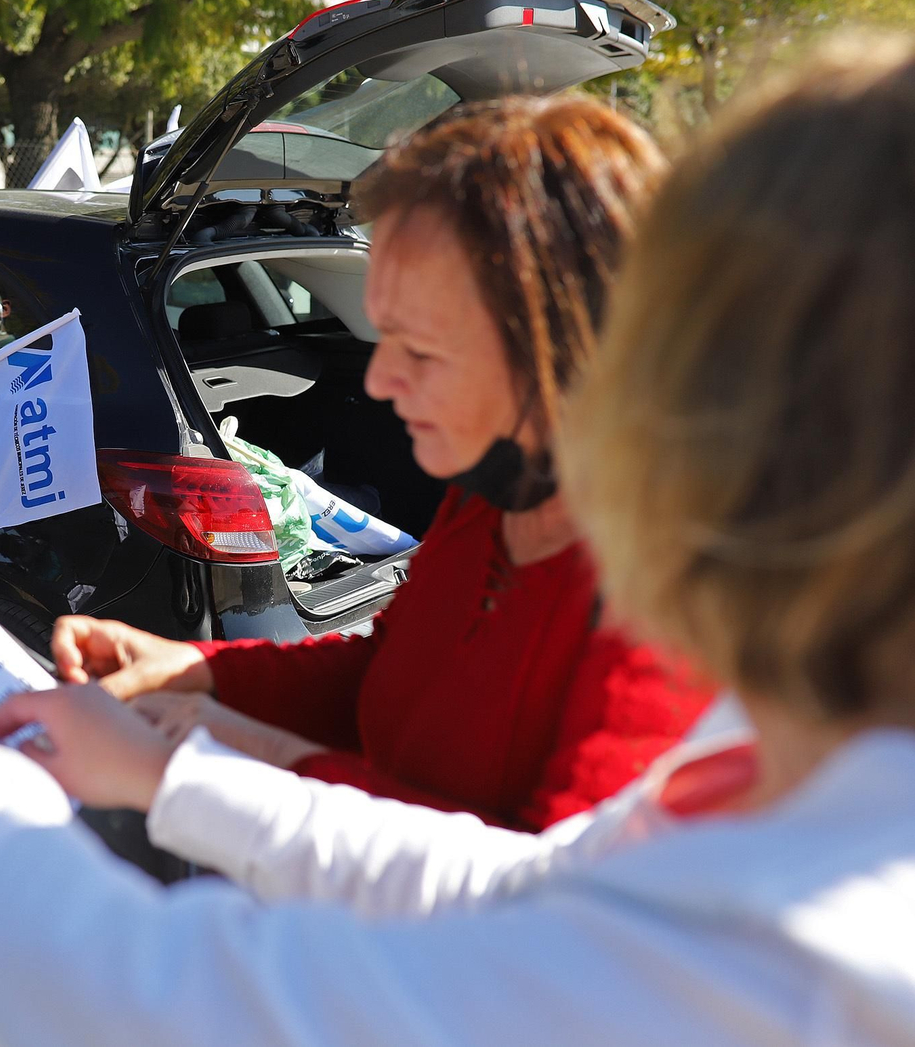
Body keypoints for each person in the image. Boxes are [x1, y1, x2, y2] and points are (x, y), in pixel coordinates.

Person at [0, 36, 915, 1045]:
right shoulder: (796, 787)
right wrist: (193, 697)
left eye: (671, 363)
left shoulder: (805, 934)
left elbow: (133, 991)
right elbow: (514, 884)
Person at [60, 96, 711, 831]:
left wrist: (223, 761)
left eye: (421, 348)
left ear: (562, 349)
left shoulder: (672, 592)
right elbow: (383, 675)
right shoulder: (493, 497)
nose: (378, 379)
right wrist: (193, 671)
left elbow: (544, 899)